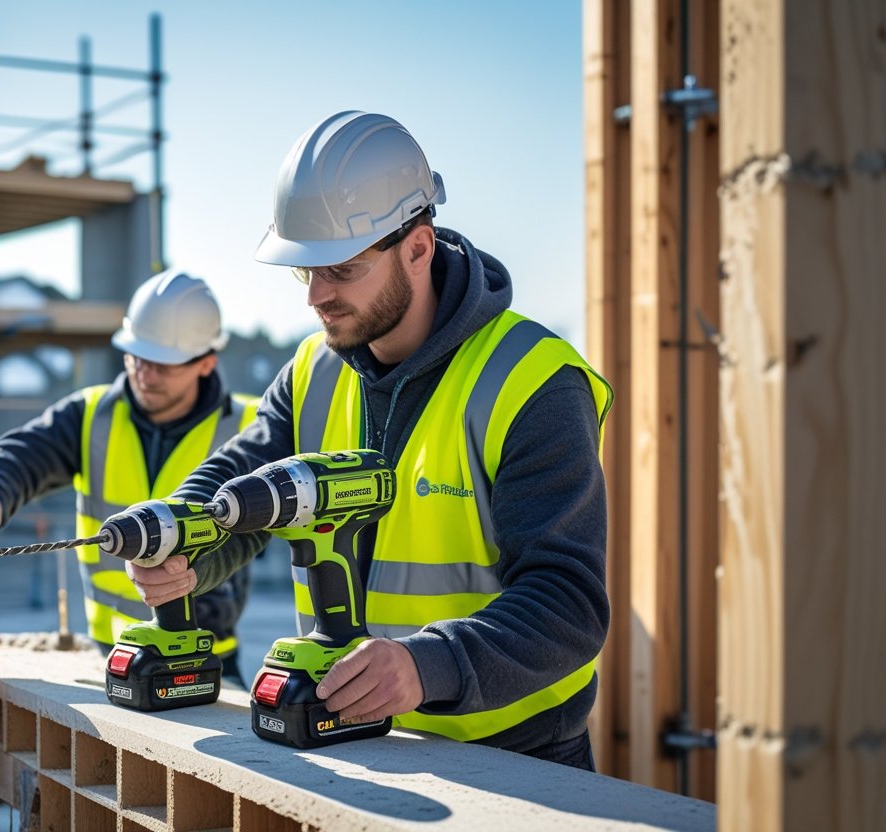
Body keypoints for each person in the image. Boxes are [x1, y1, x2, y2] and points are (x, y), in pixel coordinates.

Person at [127, 111, 612, 770]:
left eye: (343, 269)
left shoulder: (533, 382)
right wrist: (178, 538)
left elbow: (567, 605)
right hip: (346, 742)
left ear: (417, 246)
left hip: (514, 757)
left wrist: (425, 666)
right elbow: (240, 487)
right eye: (306, 271)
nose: (316, 297)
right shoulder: (312, 369)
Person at [0, 269, 261, 687]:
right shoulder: (89, 415)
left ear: (206, 362)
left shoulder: (251, 428)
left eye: (163, 364)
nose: (146, 374)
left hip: (209, 660)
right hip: (112, 656)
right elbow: (21, 457)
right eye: (137, 357)